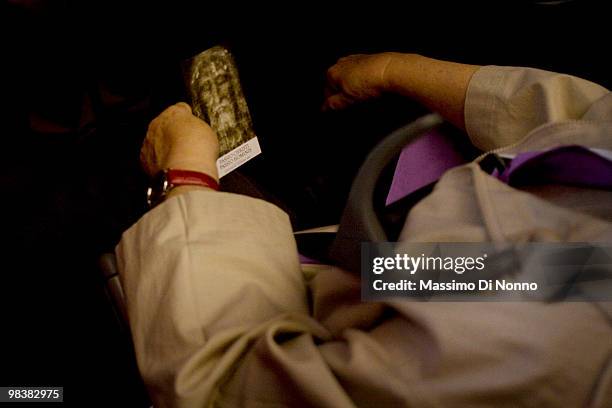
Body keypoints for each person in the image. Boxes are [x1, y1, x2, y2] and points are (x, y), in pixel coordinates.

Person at [117, 52, 612, 407]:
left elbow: (223, 386)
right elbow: (584, 117)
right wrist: (395, 69)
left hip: (311, 329)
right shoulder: (567, 274)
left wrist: (184, 174)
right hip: (456, 263)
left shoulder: (546, 330)